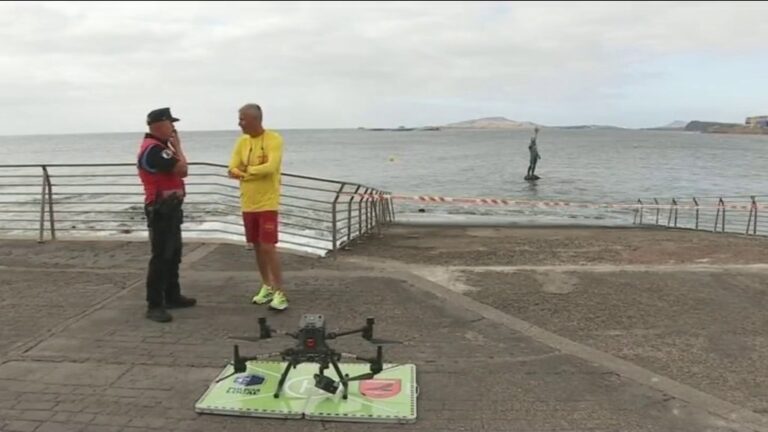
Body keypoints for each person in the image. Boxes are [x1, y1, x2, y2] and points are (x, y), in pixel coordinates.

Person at [137, 107, 197, 323]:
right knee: (161, 256)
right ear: (160, 125)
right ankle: (154, 304)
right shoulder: (156, 150)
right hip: (161, 209)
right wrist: (178, 147)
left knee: (173, 254)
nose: (174, 128)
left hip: (170, 208)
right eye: (171, 124)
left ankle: (172, 295)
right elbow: (182, 170)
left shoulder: (160, 147)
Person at [227, 103, 287, 310]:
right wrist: (244, 172)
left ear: (255, 119)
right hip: (248, 202)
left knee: (269, 246)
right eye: (239, 118)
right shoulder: (242, 142)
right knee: (257, 247)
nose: (239, 123)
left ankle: (280, 291)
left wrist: (246, 172)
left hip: (267, 202)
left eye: (243, 119)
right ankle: (266, 285)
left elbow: (271, 167)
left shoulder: (274, 139)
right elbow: (231, 168)